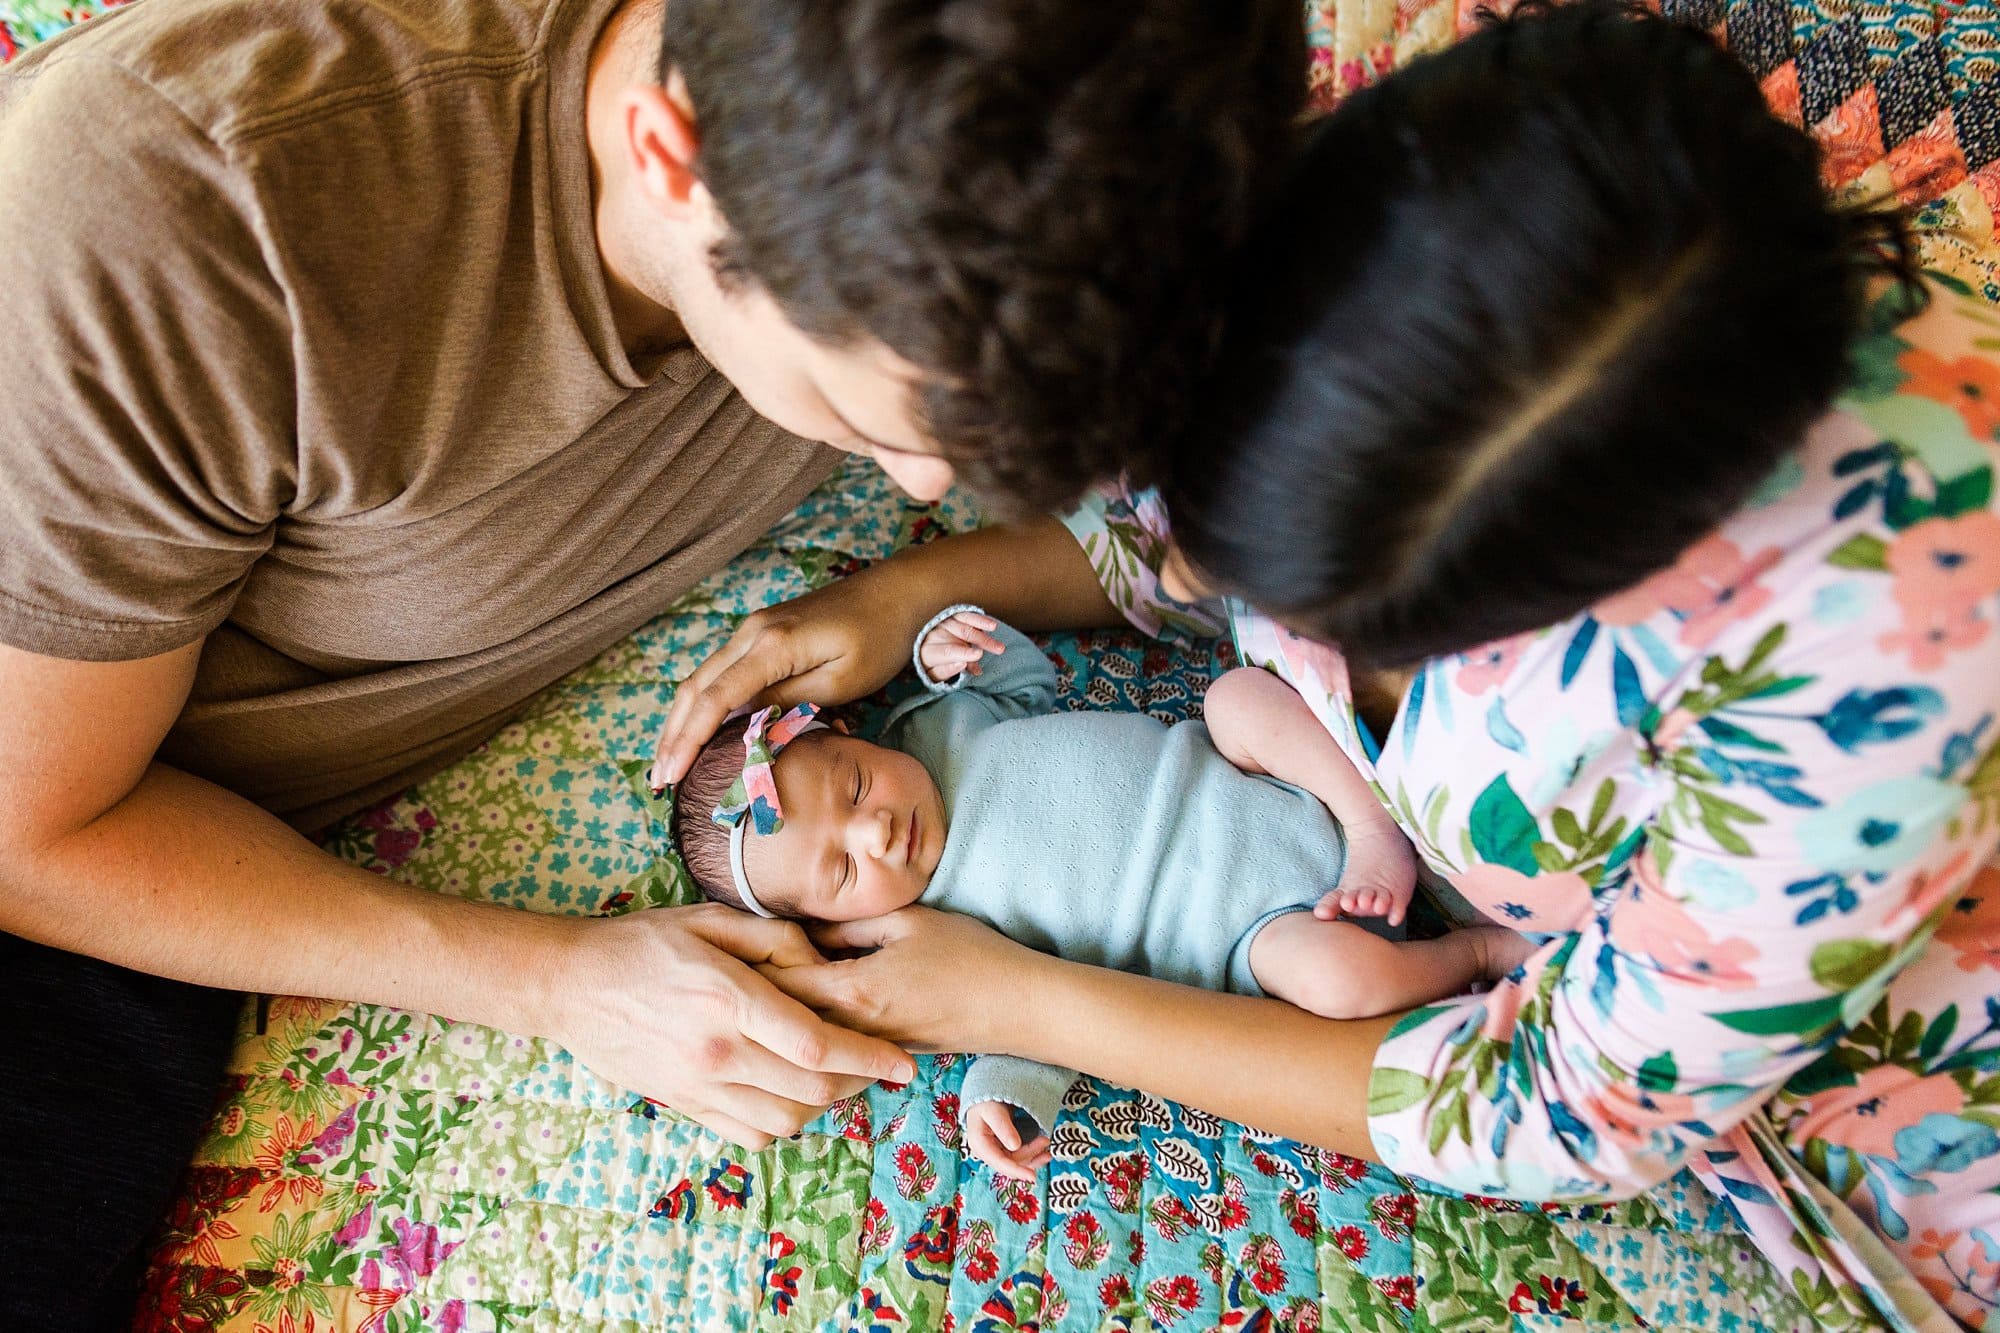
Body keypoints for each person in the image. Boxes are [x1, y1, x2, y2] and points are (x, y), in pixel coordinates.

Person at [651, 4, 2000, 1323]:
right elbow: (1162, 547)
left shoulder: (1879, 660)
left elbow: (1553, 1116)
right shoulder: (1365, 211)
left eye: (1319, 608)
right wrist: (918, 587)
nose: (924, 479)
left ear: (1522, 613)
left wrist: (1028, 1002)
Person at [0, 0, 1307, 1325]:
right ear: (668, 152)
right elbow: (27, 838)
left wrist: (916, 582)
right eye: (886, 416)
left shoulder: (1094, 137)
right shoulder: (187, 218)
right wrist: (554, 979)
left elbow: (1167, 532)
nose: (925, 479)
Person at [668, 610, 1531, 1178]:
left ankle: (1370, 823)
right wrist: (1000, 1099)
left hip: (1231, 772)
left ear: (850, 735)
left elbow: (1026, 681)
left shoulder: (934, 726)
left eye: (856, 786)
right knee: (1347, 986)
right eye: (844, 871)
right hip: (1255, 928)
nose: (877, 830)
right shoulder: (937, 928)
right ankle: (1479, 952)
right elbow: (1012, 1009)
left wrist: (952, 645)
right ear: (830, 923)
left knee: (1239, 695)